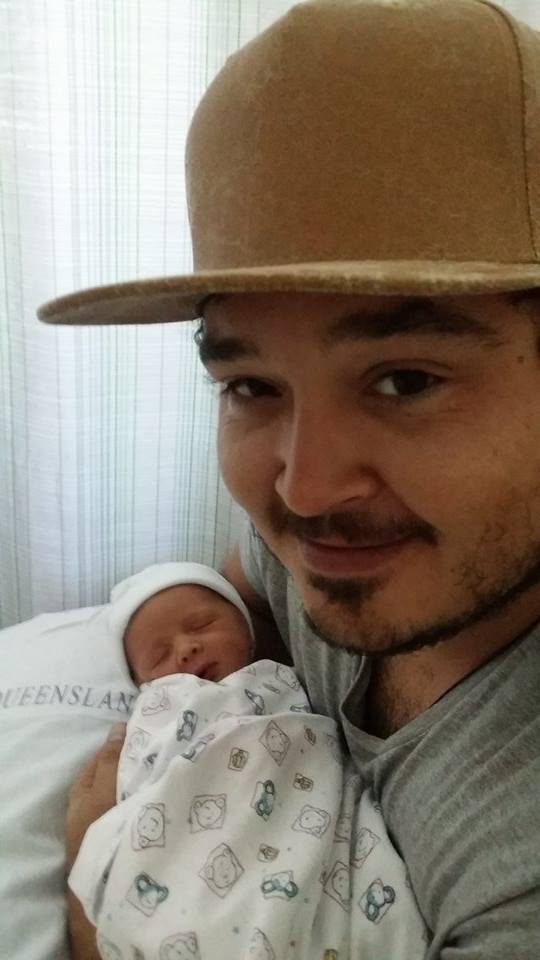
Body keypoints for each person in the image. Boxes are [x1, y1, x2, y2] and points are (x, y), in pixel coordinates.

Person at [38, 0, 540, 957]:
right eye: (251, 386)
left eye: (405, 380)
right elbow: (248, 585)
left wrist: (92, 888)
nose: (305, 494)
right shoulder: (309, 565)